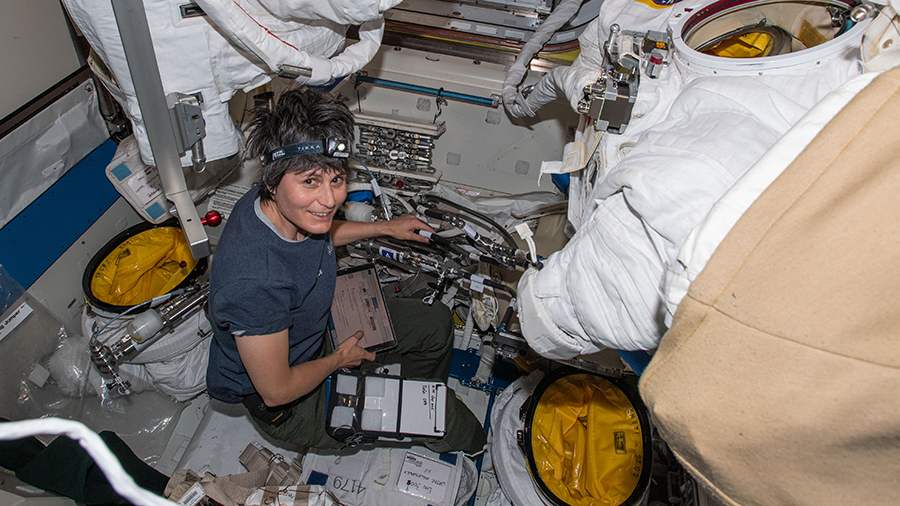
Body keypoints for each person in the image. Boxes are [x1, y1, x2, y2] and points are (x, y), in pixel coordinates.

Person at [205, 87, 486, 454]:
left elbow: (318, 233)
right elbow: (276, 391)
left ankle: (419, 400)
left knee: (435, 322)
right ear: (272, 182)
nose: (329, 199)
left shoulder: (277, 206)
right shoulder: (255, 284)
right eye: (310, 182)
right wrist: (340, 359)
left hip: (311, 333)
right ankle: (455, 436)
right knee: (450, 420)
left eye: (336, 179)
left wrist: (385, 228)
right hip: (290, 402)